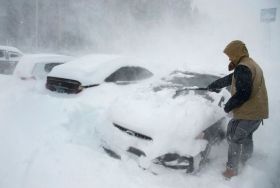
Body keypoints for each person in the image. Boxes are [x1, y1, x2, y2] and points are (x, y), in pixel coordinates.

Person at [207, 40, 269, 179]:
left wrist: (227, 107)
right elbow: (232, 78)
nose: (229, 58)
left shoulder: (243, 68)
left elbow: (243, 93)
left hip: (248, 113)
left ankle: (231, 170)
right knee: (246, 136)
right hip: (258, 112)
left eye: (230, 55)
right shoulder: (250, 64)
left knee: (234, 138)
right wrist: (214, 85)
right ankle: (245, 158)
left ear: (236, 53)